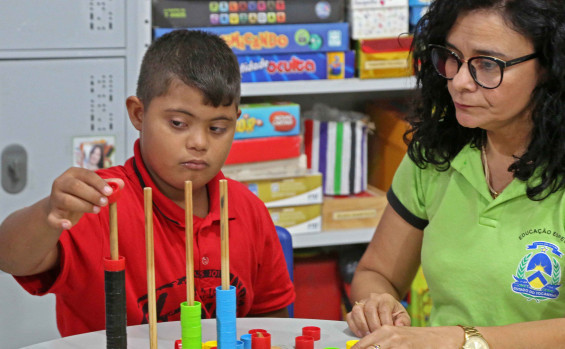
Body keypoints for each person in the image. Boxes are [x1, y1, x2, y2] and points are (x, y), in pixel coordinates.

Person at [0, 29, 295, 337]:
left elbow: (272, 321)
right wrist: (50, 212)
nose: (199, 142)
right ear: (139, 114)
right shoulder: (99, 202)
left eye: (218, 127)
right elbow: (10, 258)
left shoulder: (247, 209)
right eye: (178, 124)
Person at [346, 0, 565, 348]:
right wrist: (378, 304)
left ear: (552, 67)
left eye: (487, 64)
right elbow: (377, 274)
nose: (460, 81)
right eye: (452, 57)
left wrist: (462, 340)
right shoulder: (436, 154)